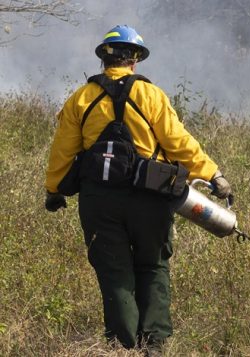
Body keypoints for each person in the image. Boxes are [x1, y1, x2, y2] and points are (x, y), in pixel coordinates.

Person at [43, 25, 232, 351]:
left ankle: (121, 343)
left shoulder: (81, 98)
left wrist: (54, 190)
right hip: (151, 198)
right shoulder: (151, 95)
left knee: (113, 268)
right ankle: (154, 344)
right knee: (153, 265)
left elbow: (63, 149)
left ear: (104, 58)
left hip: (98, 200)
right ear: (135, 60)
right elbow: (178, 143)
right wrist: (213, 175)